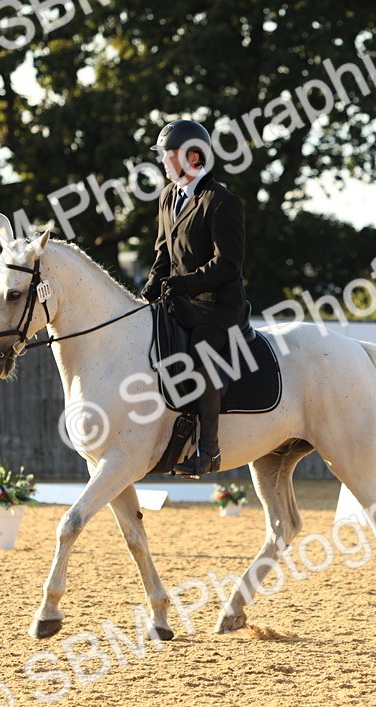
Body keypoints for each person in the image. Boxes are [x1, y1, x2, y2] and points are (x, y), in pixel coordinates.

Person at [141, 119, 248, 476]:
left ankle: (209, 450)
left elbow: (227, 264)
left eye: (168, 154)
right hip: (180, 302)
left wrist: (184, 284)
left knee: (201, 354)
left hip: (217, 307)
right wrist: (151, 287)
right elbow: (162, 253)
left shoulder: (222, 201)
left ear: (193, 157)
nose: (162, 161)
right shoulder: (167, 197)